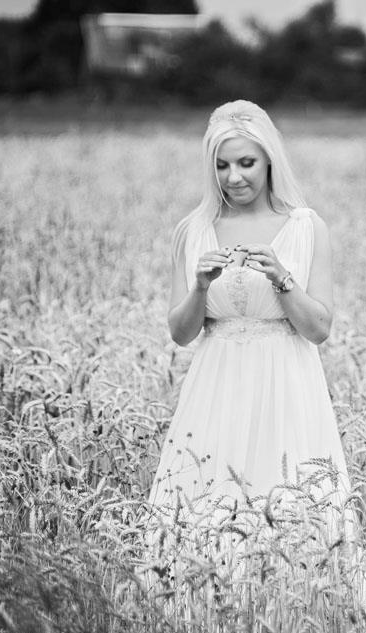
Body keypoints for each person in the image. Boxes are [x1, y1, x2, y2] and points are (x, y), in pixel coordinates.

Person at [148, 100, 351, 526]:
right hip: (215, 389)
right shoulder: (192, 230)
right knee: (206, 512)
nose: (234, 177)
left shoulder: (306, 227)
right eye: (222, 165)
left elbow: (319, 329)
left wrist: (281, 277)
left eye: (246, 163)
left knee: (292, 510)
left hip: (288, 388)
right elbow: (180, 333)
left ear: (269, 160)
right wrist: (201, 286)